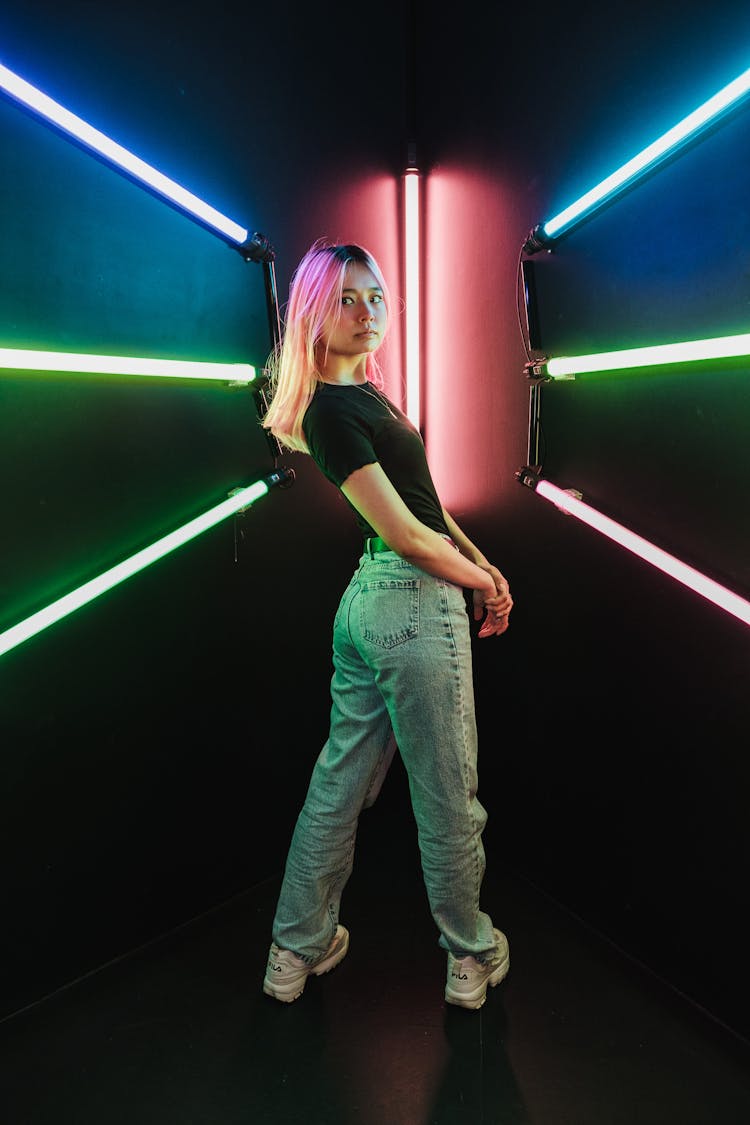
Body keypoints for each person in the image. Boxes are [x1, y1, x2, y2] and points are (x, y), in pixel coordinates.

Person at [260, 239, 514, 1010]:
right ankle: (470, 953)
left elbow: (425, 510)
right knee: (444, 794)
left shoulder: (367, 395)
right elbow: (407, 536)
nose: (368, 311)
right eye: (347, 298)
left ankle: (291, 953)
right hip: (407, 598)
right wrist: (485, 585)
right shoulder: (333, 412)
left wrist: (483, 567)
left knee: (338, 786)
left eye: (375, 296)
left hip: (375, 603)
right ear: (314, 312)